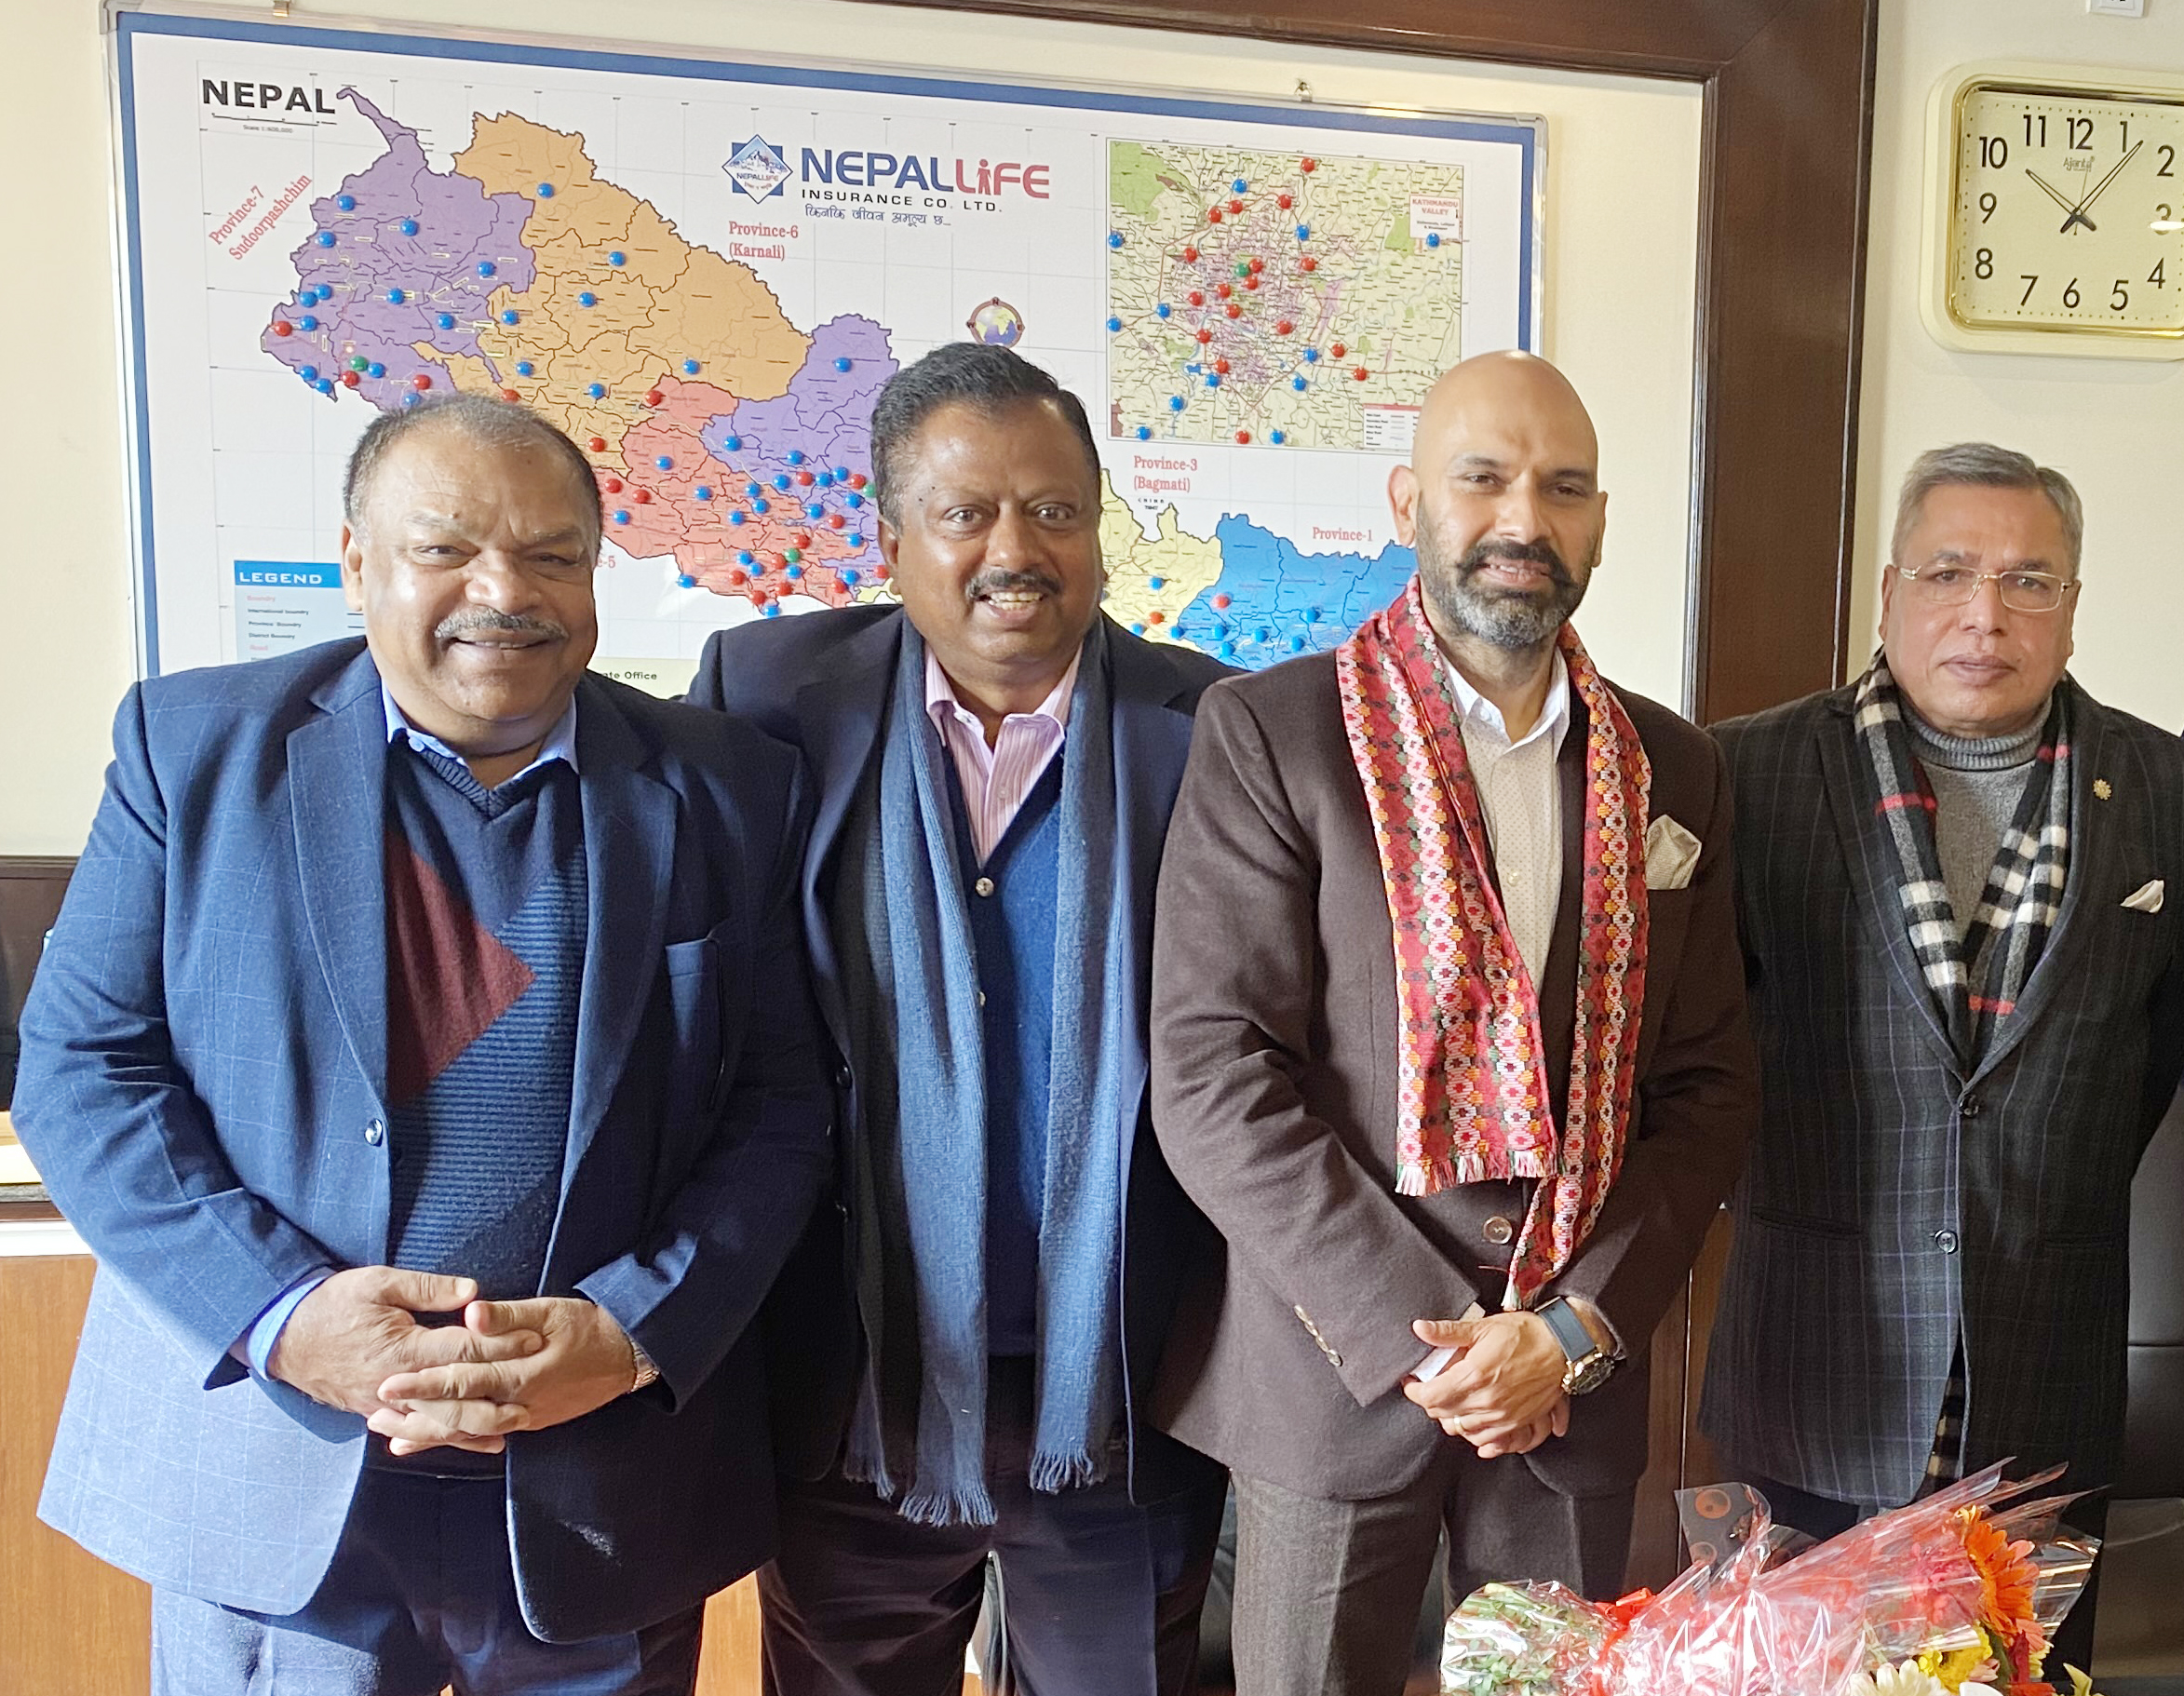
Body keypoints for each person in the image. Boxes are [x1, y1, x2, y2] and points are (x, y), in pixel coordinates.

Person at [13, 394, 832, 1694]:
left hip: (600, 1487)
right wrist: (284, 1316)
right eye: (445, 548)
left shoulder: (729, 784)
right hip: (280, 1477)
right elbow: (84, 1067)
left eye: (552, 554)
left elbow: (782, 1103)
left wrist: (633, 1330)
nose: (502, 593)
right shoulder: (194, 750)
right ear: (356, 563)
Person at [1147, 349, 1758, 1696]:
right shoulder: (1271, 735)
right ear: (1407, 500)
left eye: (1563, 488)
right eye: (1482, 478)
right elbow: (1212, 1077)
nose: (1522, 520)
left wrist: (1569, 1332)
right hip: (1336, 1372)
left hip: (1571, 1391)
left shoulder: (1675, 767)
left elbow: (1707, 1088)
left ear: (1600, 520)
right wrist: (1434, 1337)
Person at [688, 341, 1230, 1696]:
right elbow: (707, 1030)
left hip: (1123, 1390)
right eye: (965, 513)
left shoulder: (1215, 727)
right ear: (891, 541)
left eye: (1053, 511)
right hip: (853, 1388)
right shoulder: (767, 702)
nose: (1014, 551)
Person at [1703, 441, 2184, 1669]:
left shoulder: (2165, 788)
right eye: (1949, 572)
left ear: (2072, 603)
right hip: (1813, 1365)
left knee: (2023, 1682)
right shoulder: (1743, 773)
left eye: (2029, 581)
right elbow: (1703, 1057)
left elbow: (2148, 1064)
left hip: (2043, 1368)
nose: (1984, 613)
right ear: (1887, 591)